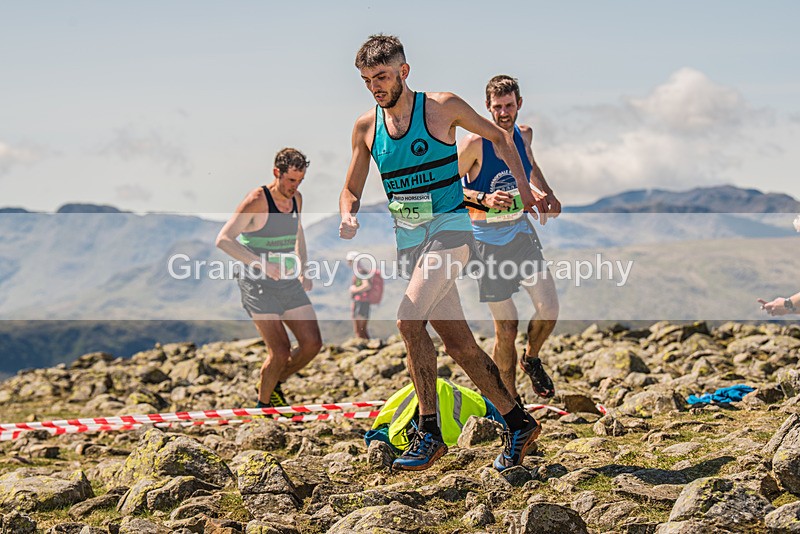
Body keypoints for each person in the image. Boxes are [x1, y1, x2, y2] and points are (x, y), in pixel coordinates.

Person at [339, 34, 548, 472]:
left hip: (451, 232)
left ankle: (429, 433)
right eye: (367, 80)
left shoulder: (441, 107)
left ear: (403, 71)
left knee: (407, 320)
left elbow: (499, 136)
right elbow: (351, 188)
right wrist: (348, 213)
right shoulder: (366, 127)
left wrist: (525, 187)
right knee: (460, 345)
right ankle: (518, 422)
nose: (375, 87)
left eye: (382, 77)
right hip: (411, 243)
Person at [459, 75, 560, 406]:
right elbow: (447, 188)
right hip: (485, 244)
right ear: (487, 107)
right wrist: (484, 198)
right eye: (498, 107)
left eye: (509, 106)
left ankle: (531, 359)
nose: (504, 113)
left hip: (520, 233)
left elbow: (529, 164)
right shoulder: (474, 143)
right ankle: (510, 403)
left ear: (519, 104)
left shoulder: (524, 134)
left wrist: (546, 192)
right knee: (507, 327)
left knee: (549, 309)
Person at [216, 148, 323, 409]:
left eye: (300, 181)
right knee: (280, 351)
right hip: (256, 283)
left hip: (286, 280)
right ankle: (264, 407)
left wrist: (304, 268)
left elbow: (298, 233)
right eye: (291, 180)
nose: (295, 187)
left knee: (312, 344)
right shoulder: (257, 200)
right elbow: (224, 240)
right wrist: (262, 265)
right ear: (277, 172)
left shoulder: (297, 199)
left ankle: (271, 382)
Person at [347, 250, 373, 339]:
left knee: (359, 330)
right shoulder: (360, 271)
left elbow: (367, 285)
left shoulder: (361, 272)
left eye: (349, 261)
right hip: (363, 303)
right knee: (362, 330)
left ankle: (363, 345)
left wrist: (354, 290)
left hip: (361, 303)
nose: (348, 264)